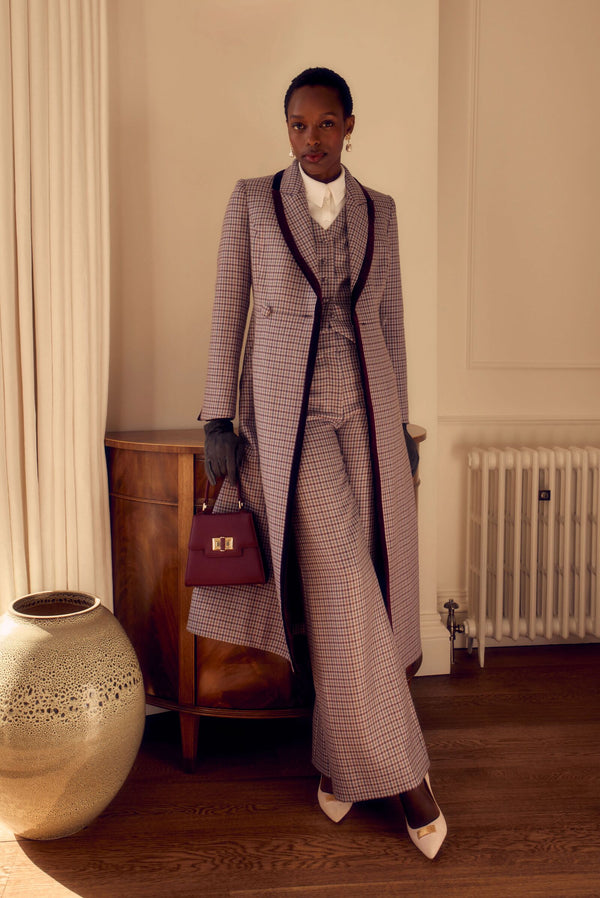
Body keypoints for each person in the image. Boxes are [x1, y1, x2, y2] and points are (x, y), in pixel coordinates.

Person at [188, 66, 446, 859]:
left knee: (357, 588)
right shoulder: (252, 201)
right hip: (289, 418)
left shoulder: (381, 211)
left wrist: (401, 425)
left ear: (349, 125)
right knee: (346, 580)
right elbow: (229, 306)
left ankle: (338, 767)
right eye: (298, 125)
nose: (311, 138)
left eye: (325, 123)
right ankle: (408, 778)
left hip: (367, 409)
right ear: (288, 130)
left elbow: (391, 321)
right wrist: (218, 415)